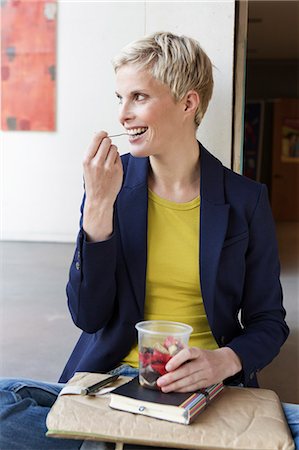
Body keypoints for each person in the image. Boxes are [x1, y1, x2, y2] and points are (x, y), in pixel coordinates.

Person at [0, 31, 298, 450]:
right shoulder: (110, 183)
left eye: (138, 96)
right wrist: (97, 211)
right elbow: (88, 316)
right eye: (119, 98)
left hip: (206, 387)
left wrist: (222, 360)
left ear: (188, 103)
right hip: (110, 382)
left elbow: (269, 321)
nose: (122, 115)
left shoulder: (246, 200)